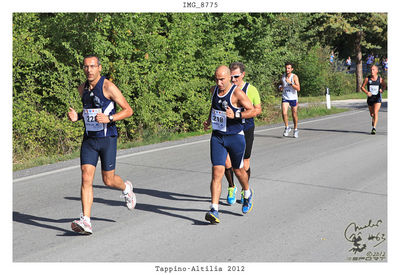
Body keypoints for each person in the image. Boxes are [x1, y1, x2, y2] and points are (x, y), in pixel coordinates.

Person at [67, 55, 135, 234]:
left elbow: (128, 110)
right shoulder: (82, 88)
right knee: (86, 176)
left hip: (107, 139)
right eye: (86, 67)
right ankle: (86, 220)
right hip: (89, 140)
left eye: (92, 66)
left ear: (99, 67)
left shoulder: (108, 86)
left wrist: (110, 118)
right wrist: (78, 117)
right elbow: (90, 111)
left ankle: (126, 188)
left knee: (108, 180)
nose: (89, 70)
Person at [203, 65, 255, 224]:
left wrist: (237, 114)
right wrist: (208, 120)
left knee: (239, 171)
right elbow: (214, 106)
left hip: (235, 137)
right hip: (218, 137)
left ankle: (247, 193)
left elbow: (252, 110)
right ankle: (214, 210)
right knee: (216, 172)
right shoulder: (213, 90)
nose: (218, 82)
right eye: (216, 79)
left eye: (222, 79)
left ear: (229, 78)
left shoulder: (237, 93)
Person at [224, 62, 261, 206]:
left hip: (246, 129)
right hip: (229, 129)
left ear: (243, 75)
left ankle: (245, 189)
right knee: (227, 161)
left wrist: (237, 114)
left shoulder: (250, 90)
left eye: (236, 77)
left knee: (244, 162)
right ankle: (231, 186)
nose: (233, 80)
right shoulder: (226, 89)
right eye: (231, 77)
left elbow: (257, 110)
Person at [361, 65, 385, 135]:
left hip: (377, 98)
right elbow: (362, 87)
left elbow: (384, 85)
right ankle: (373, 118)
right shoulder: (367, 79)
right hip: (370, 99)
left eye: (373, 70)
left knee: (375, 112)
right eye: (371, 70)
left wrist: (382, 90)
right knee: (372, 114)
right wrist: (367, 92)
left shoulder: (380, 79)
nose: (372, 71)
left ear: (377, 71)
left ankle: (374, 128)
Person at [279, 62, 301, 138]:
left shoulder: (294, 77)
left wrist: (291, 83)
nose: (287, 69)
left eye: (289, 68)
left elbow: (298, 88)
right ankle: (287, 127)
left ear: (292, 69)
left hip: (293, 98)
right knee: (284, 112)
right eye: (286, 68)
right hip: (285, 97)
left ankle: (295, 129)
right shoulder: (283, 76)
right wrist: (280, 87)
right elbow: (281, 85)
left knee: (294, 114)